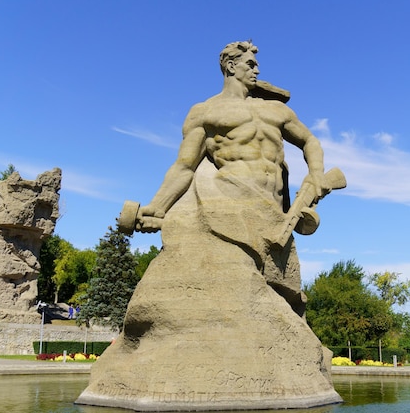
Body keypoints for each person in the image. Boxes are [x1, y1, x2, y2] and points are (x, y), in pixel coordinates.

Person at [134, 41, 331, 315]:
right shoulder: (206, 111)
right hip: (231, 206)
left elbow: (310, 141)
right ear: (230, 66)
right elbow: (184, 167)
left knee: (285, 299)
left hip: (275, 215)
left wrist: (317, 174)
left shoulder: (275, 110)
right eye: (250, 64)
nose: (257, 70)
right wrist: (158, 207)